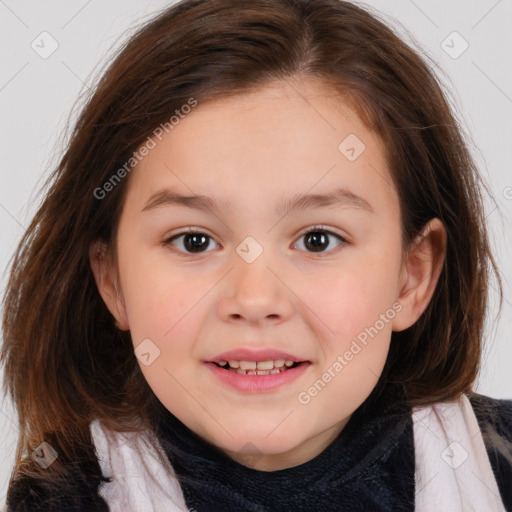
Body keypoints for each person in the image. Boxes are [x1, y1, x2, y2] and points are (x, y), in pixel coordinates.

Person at [1, 0, 511, 510]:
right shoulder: (67, 494)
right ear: (112, 280)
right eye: (194, 240)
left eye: (317, 240)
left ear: (411, 277)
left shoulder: (497, 465)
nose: (255, 299)